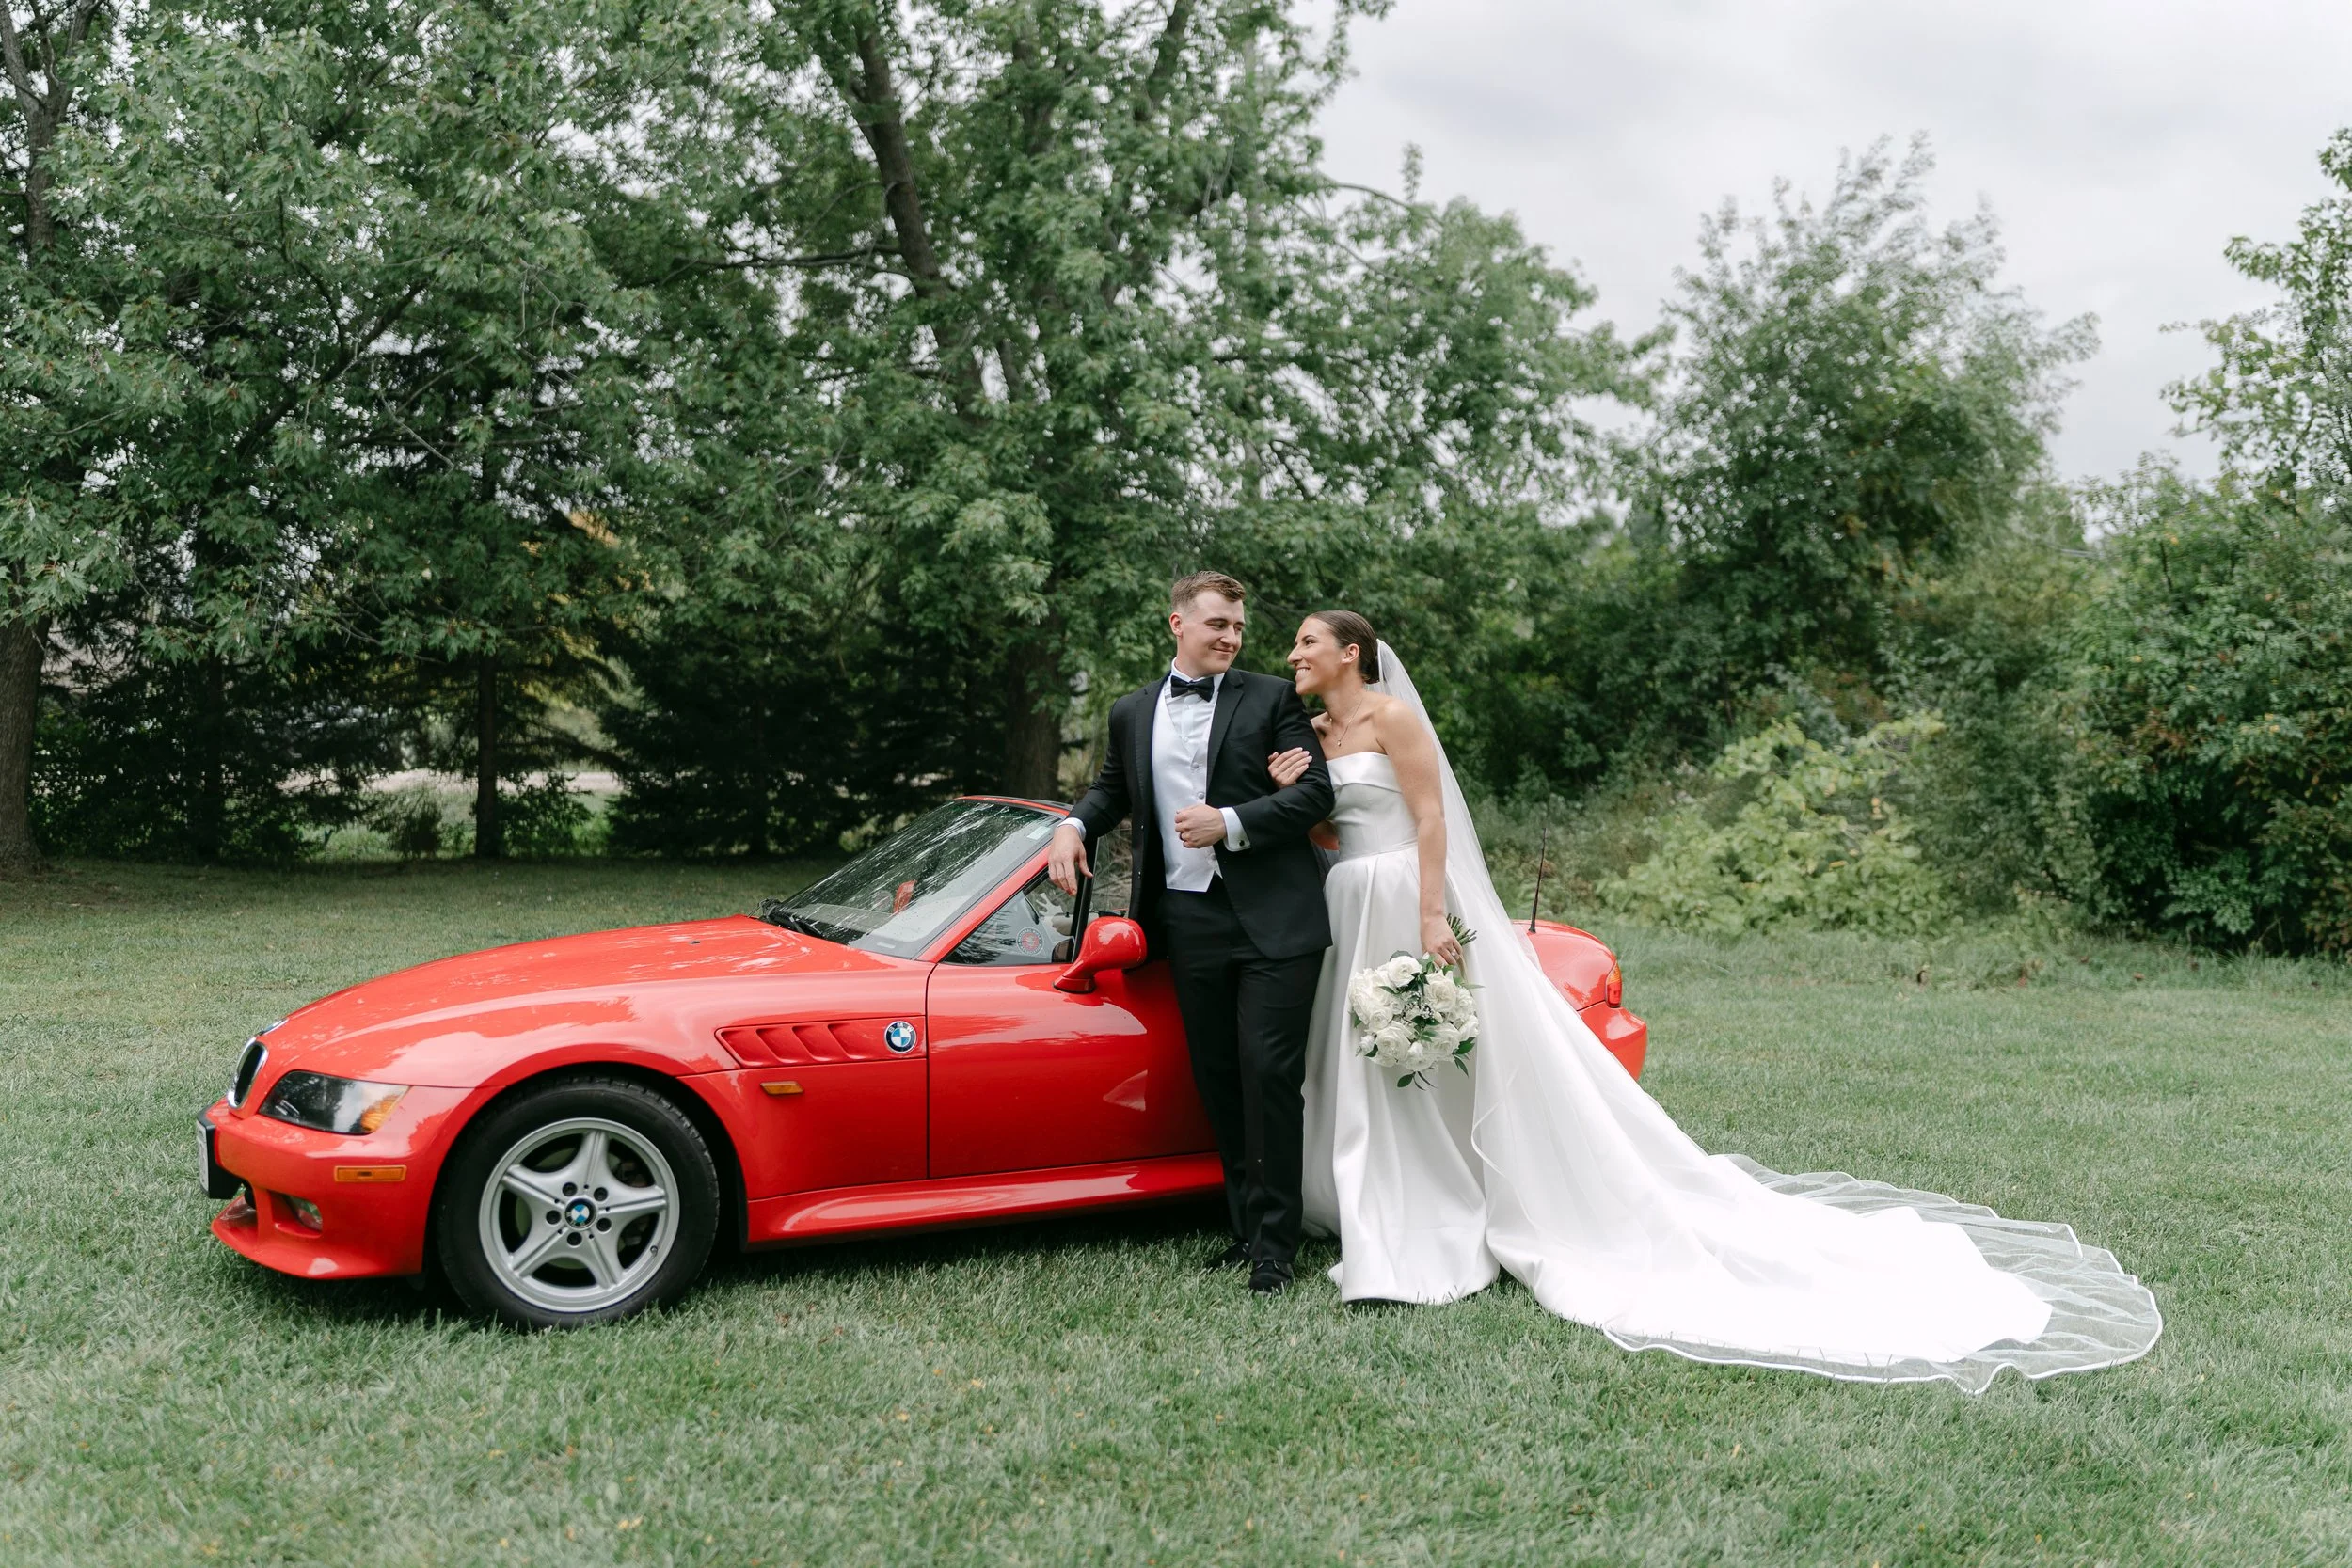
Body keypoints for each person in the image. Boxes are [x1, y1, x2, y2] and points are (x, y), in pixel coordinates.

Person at [1266, 611, 2162, 1388]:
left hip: (1406, 899)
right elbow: (1327, 822)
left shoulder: (1393, 719)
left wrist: (1433, 915)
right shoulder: (1314, 733)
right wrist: (1288, 796)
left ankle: (1438, 1209)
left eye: (1309, 641)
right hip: (1346, 896)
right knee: (1363, 1051)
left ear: (1353, 651)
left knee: (1429, 1049)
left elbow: (1431, 822)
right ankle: (1367, 1197)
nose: (1294, 650)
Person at [1047, 572, 1334, 1295]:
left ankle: (1276, 1247)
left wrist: (1230, 822)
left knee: (1269, 1074)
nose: (1231, 638)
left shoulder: (1273, 699)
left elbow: (1316, 795)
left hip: (1276, 918)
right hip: (1186, 918)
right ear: (1177, 622)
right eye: (1217, 624)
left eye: (1238, 627)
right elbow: (1114, 787)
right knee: (1218, 1076)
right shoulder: (1130, 710)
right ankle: (1243, 1229)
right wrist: (1074, 824)